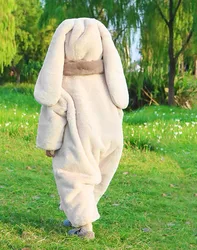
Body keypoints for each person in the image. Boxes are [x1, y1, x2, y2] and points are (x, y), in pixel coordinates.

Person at [34, 18, 129, 240]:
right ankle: (81, 213)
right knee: (95, 177)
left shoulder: (63, 82)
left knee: (72, 176)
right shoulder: (105, 79)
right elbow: (118, 105)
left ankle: (84, 226)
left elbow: (54, 113)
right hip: (111, 138)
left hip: (81, 139)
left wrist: (50, 144)